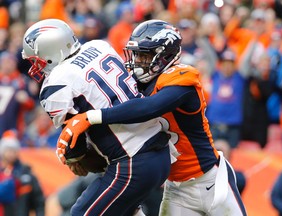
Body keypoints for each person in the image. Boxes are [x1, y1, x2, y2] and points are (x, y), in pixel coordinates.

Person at [57, 19, 247, 216]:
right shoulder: (132, 83)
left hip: (211, 181)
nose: (138, 62)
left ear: (166, 55)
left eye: (145, 56)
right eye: (137, 55)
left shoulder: (182, 78)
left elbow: (149, 107)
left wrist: (92, 116)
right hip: (176, 190)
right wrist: (79, 153)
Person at [22, 18, 173, 216]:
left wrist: (74, 157)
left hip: (132, 161)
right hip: (160, 151)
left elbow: (74, 138)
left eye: (37, 60)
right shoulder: (99, 46)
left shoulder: (56, 83)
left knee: (80, 213)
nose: (36, 66)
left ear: (50, 52)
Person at [0, 129, 45, 216]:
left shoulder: (25, 173)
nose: (10, 153)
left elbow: (38, 200)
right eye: (8, 150)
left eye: (13, 150)